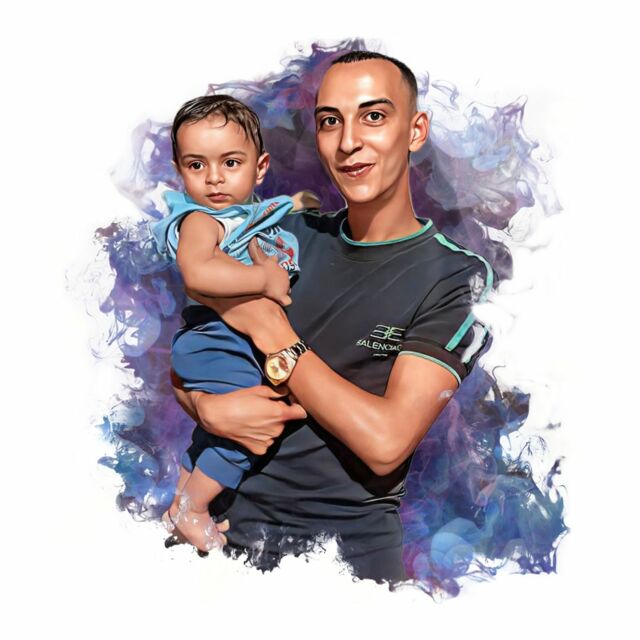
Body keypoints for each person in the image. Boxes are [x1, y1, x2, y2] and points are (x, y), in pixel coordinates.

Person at [172, 51, 494, 583]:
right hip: (218, 539)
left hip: (346, 565)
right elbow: (192, 356)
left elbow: (386, 443)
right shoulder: (284, 238)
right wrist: (206, 409)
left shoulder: (455, 277)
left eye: (373, 116)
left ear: (415, 131)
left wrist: (275, 334)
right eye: (329, 121)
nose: (348, 142)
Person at [152, 95, 313, 554]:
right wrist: (263, 279)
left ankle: (182, 497)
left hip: (223, 340)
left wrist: (297, 203)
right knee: (247, 429)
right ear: (180, 172)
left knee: (218, 427)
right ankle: (194, 508)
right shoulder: (200, 220)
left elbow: (268, 215)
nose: (214, 177)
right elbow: (197, 273)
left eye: (230, 162)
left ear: (259, 168)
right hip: (215, 338)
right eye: (196, 165)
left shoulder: (241, 215)